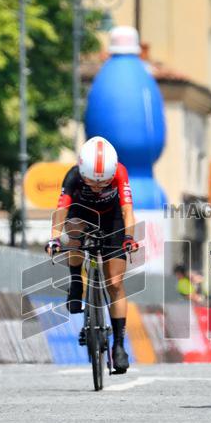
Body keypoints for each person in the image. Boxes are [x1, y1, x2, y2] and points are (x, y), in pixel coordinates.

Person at [47, 136, 136, 374]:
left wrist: (128, 238)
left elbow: (127, 210)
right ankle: (76, 281)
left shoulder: (120, 172)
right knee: (73, 228)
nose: (97, 187)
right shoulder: (73, 175)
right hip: (81, 213)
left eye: (103, 183)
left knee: (115, 283)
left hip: (112, 217)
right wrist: (55, 238)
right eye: (92, 182)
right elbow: (61, 211)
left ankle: (118, 345)